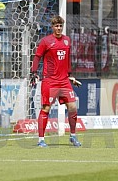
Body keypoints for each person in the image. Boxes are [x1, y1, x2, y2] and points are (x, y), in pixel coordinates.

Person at [31, 15, 81, 147]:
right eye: (56, 26)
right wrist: (34, 72)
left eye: (60, 26)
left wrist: (70, 75)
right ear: (52, 27)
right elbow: (37, 57)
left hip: (64, 81)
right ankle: (41, 139)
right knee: (46, 108)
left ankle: (73, 136)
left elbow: (67, 60)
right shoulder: (46, 41)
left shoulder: (67, 40)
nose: (59, 28)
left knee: (72, 107)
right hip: (50, 81)